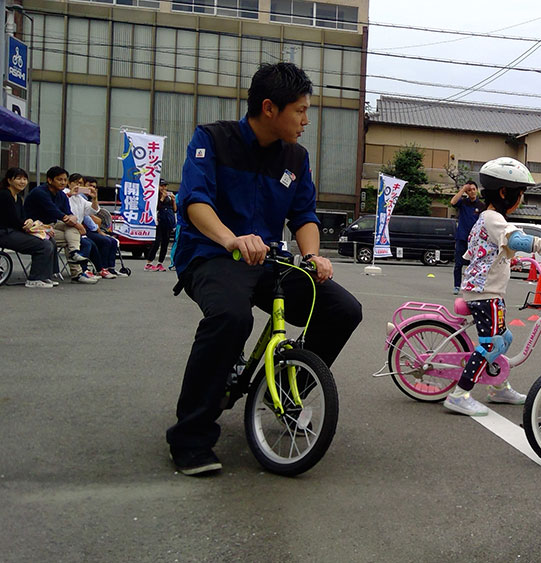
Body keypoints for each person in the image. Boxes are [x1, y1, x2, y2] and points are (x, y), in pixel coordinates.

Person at [166, 62, 362, 476]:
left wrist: (312, 257)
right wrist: (230, 238)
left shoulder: (295, 157)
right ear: (270, 108)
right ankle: (190, 437)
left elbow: (304, 214)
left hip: (269, 259)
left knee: (343, 309)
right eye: (301, 111)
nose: (306, 120)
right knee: (230, 317)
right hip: (213, 255)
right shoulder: (212, 139)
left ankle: (287, 394)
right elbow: (195, 201)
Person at [444, 157, 541, 416]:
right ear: (504, 192)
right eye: (520, 193)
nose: (521, 199)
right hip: (484, 295)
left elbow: (496, 250)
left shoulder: (486, 218)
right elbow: (518, 239)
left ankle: (498, 386)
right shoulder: (493, 218)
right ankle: (459, 393)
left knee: (505, 338)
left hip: (488, 293)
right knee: (490, 344)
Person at [23, 166, 98, 284]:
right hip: (35, 227)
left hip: (53, 225)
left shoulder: (61, 195)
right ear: (49, 180)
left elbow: (69, 213)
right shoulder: (40, 192)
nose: (63, 182)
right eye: (59, 179)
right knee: (73, 235)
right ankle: (77, 272)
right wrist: (76, 223)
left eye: (64, 180)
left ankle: (74, 253)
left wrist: (73, 220)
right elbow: (54, 211)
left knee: (72, 230)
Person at [0, 167, 59, 288]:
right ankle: (34, 278)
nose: (22, 182)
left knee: (49, 240)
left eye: (25, 179)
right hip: (4, 232)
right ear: (9, 180)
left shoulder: (18, 198)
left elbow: (22, 217)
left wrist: (30, 222)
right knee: (43, 245)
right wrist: (27, 226)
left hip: (14, 230)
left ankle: (46, 276)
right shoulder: (5, 195)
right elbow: (11, 220)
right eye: (18, 179)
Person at [67, 176, 118, 279]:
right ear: (69, 183)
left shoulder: (80, 198)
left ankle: (102, 269)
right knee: (89, 243)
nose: (78, 186)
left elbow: (93, 210)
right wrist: (69, 194)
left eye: (80, 183)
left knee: (105, 242)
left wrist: (95, 198)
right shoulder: (64, 194)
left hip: (80, 230)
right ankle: (84, 270)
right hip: (69, 228)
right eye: (76, 183)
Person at [449, 179, 484, 295]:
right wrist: (463, 189)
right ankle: (456, 286)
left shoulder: (481, 206)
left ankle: (471, 285)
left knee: (473, 264)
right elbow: (453, 202)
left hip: (475, 240)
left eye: (474, 189)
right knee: (458, 263)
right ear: (467, 193)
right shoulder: (463, 202)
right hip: (462, 237)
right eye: (469, 190)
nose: (472, 192)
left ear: (477, 191)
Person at [144, 184, 176, 272]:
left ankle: (160, 263)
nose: (163, 188)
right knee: (157, 242)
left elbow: (175, 209)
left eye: (165, 186)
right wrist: (162, 197)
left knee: (165, 243)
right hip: (159, 221)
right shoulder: (155, 196)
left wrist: (173, 200)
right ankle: (149, 263)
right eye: (161, 186)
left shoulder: (169, 196)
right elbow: (156, 208)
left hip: (168, 221)